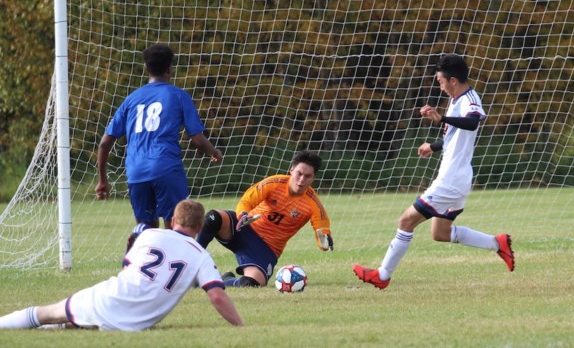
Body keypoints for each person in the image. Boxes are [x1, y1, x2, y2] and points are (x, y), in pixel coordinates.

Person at [353, 53, 514, 290]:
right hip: (455, 177)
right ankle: (496, 243)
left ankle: (383, 275)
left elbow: (472, 122)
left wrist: (440, 119)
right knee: (440, 233)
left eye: (440, 81)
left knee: (406, 220)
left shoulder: (470, 100)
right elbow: (456, 136)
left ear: (453, 80)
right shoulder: (456, 98)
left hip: (451, 180)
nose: (440, 87)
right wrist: (434, 146)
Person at [0, 200, 244, 331]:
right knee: (71, 323)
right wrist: (240, 326)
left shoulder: (149, 235)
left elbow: (127, 266)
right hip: (134, 324)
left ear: (172, 222)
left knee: (46, 314)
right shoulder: (201, 255)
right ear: (200, 227)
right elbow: (217, 296)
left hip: (107, 298)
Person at [96, 44, 223, 252]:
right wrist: (214, 152)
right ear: (169, 69)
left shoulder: (131, 100)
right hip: (166, 167)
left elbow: (104, 144)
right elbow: (198, 139)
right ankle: (172, 269)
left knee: (147, 228)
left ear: (147, 69)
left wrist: (103, 179)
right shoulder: (179, 95)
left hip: (136, 172)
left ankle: (142, 251)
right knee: (176, 225)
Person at [196, 150, 333, 287]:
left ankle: (220, 280)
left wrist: (325, 242)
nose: (302, 180)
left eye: (308, 176)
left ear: (314, 177)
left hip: (266, 249)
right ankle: (192, 264)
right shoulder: (274, 182)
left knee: (250, 284)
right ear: (292, 169)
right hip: (244, 228)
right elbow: (246, 201)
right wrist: (243, 214)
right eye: (299, 174)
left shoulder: (314, 205)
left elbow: (322, 233)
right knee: (213, 218)